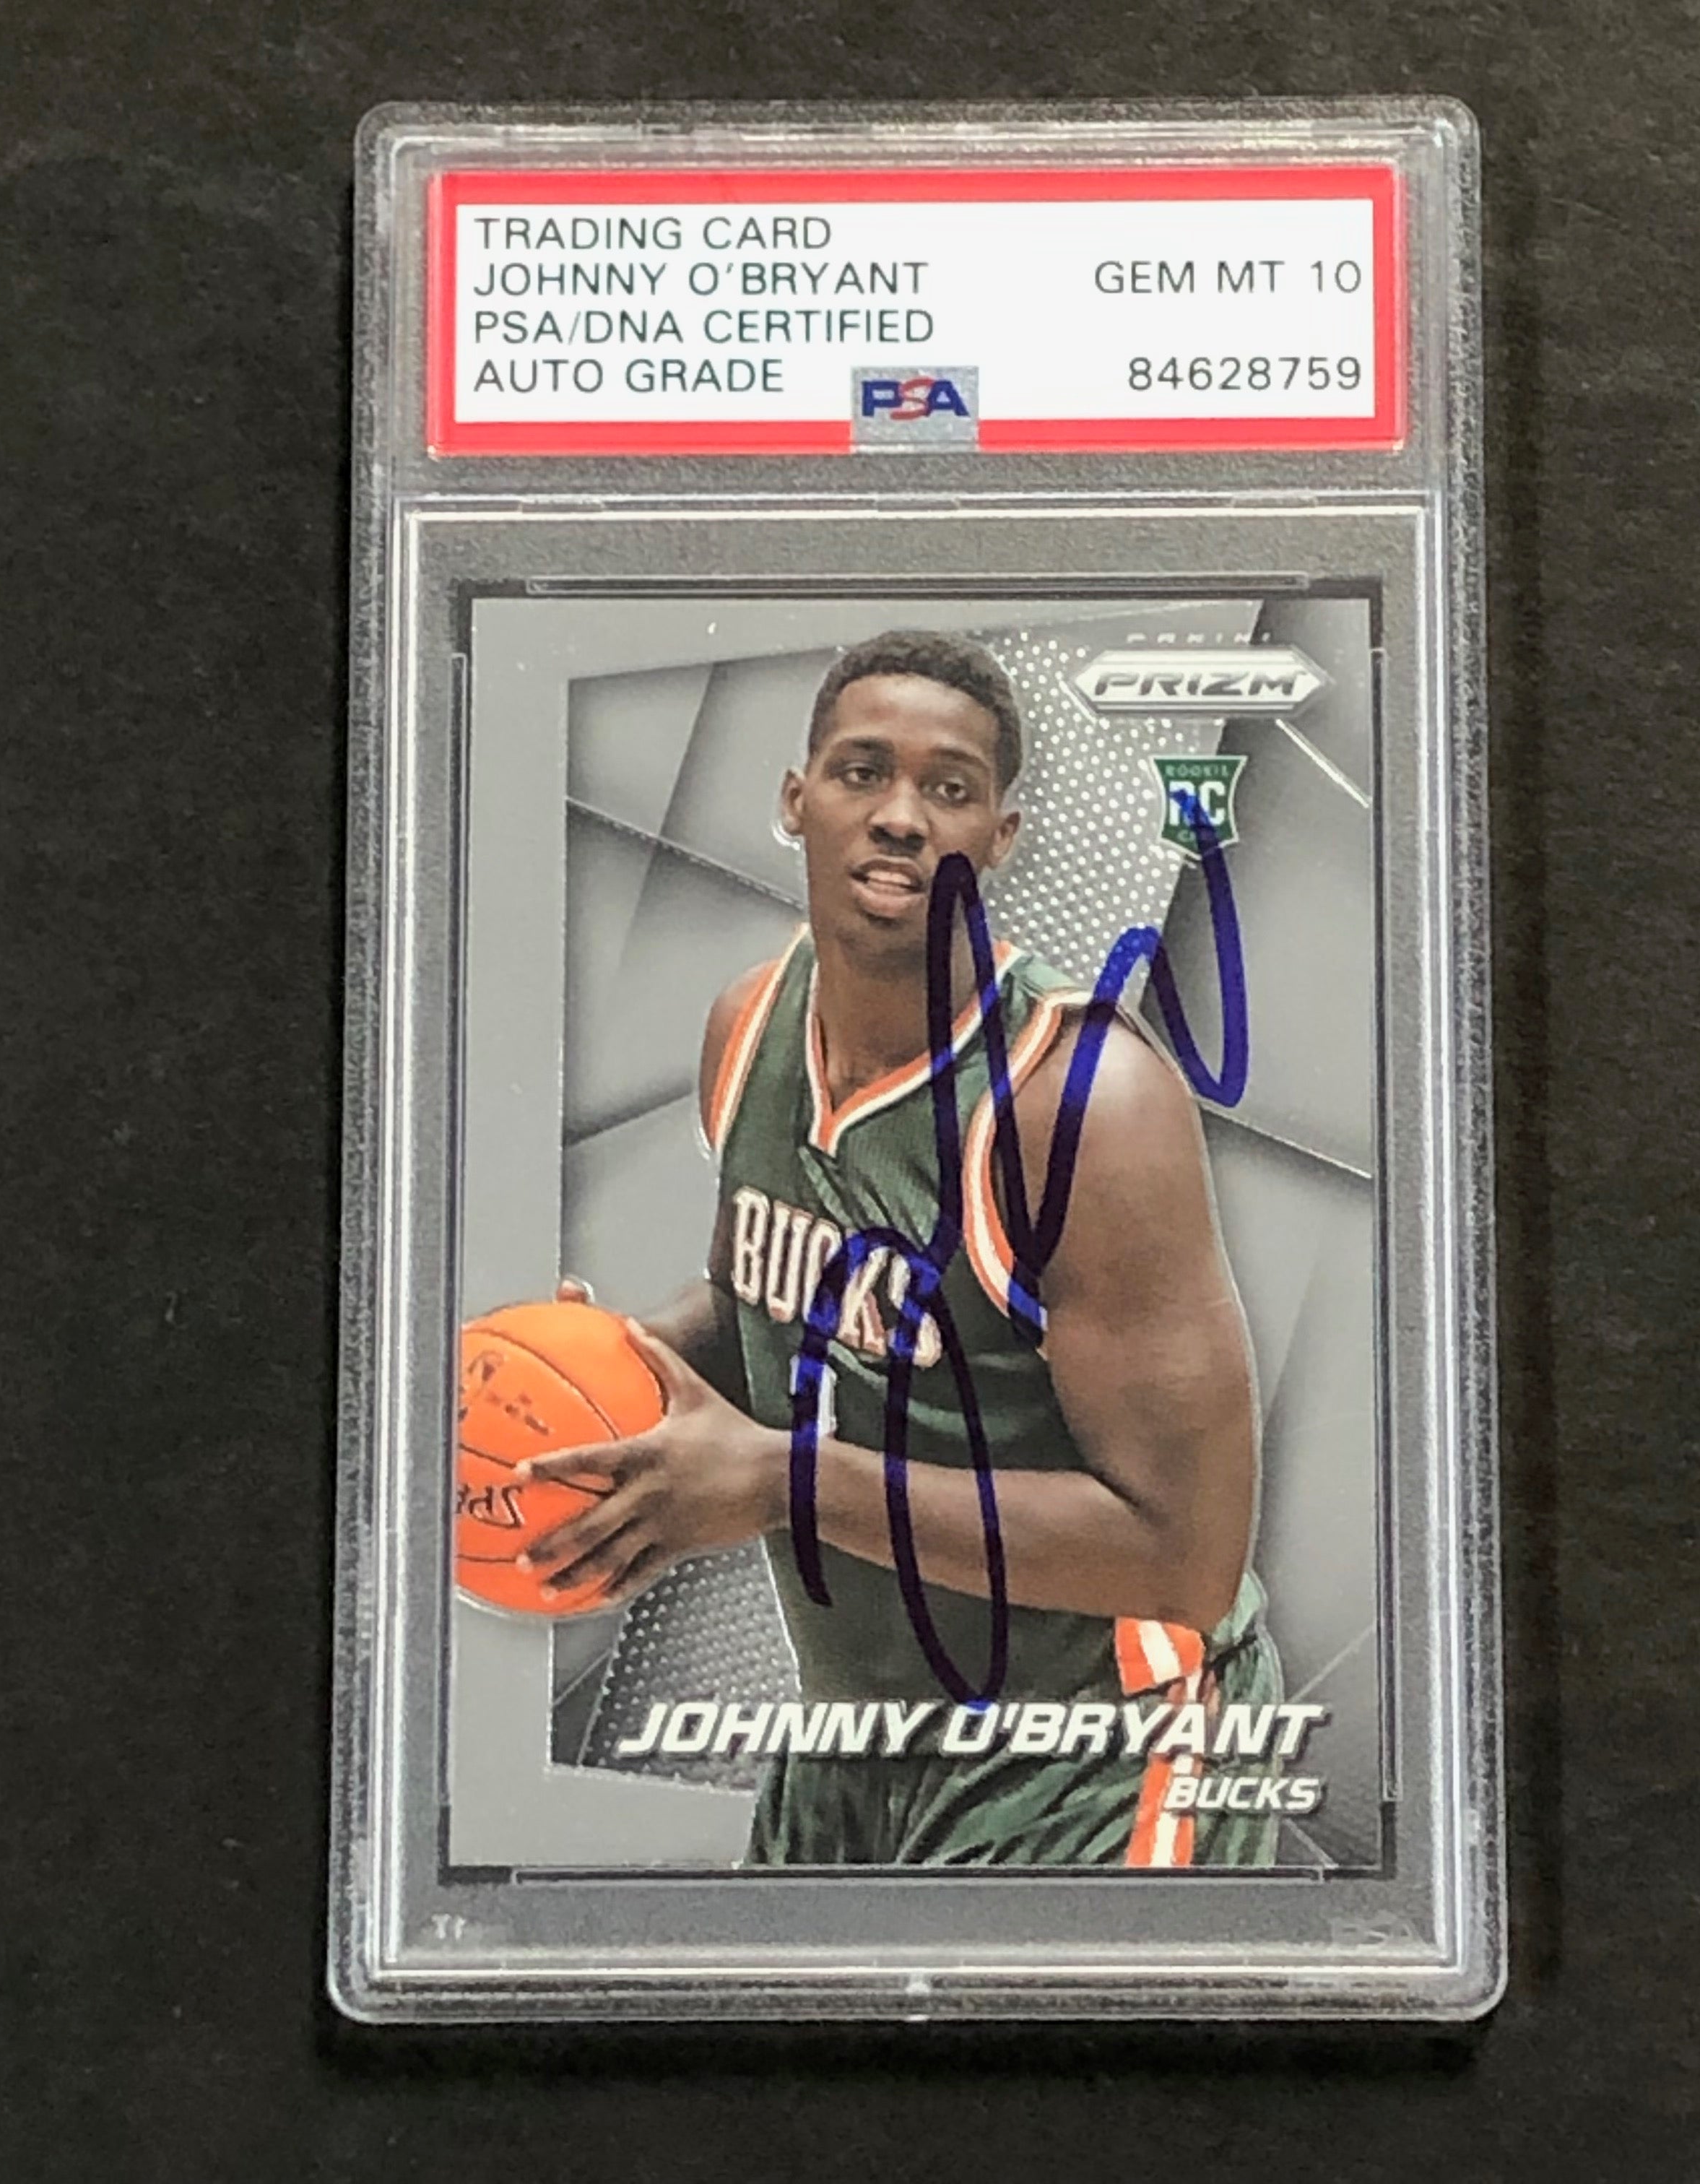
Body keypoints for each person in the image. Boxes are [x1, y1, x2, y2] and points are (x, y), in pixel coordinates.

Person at [531, 630, 1281, 1868]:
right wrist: (615, 1365)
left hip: (1098, 1745)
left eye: (950, 788)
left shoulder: (1079, 1104)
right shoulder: (749, 1023)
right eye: (862, 771)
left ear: (1000, 837)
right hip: (855, 1730)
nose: (899, 815)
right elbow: (767, 1301)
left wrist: (779, 1481)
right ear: (796, 799)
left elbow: (1186, 1558)